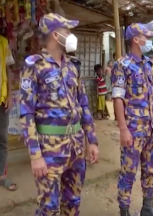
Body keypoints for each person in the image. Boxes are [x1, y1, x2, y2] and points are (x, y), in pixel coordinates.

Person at [19, 13, 99, 215]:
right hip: (49, 150)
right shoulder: (35, 67)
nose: (71, 35)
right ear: (56, 35)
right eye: (68, 31)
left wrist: (92, 140)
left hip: (76, 148)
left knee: (73, 202)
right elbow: (26, 113)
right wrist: (35, 155)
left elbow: (83, 104)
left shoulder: (72, 67)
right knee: (49, 208)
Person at [111, 23, 153, 216]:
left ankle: (148, 207)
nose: (148, 40)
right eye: (146, 36)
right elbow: (118, 97)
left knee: (150, 169)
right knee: (129, 171)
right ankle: (124, 211)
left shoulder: (146, 64)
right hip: (134, 128)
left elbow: (151, 94)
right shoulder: (122, 65)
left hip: (150, 127)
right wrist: (123, 129)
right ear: (136, 39)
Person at [0, 34, 16, 191]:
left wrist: (10, 95)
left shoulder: (3, 42)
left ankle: (2, 176)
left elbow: (8, 69)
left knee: (2, 138)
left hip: (2, 99)